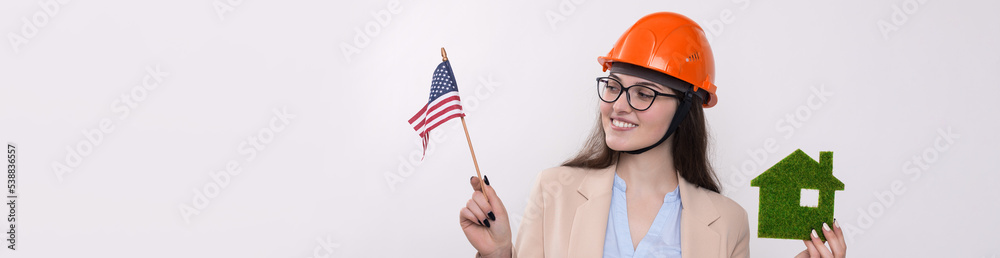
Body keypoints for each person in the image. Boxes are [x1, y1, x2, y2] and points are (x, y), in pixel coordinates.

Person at [458, 12, 847, 258]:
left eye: (644, 93)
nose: (619, 105)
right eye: (613, 86)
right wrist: (499, 252)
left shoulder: (729, 222)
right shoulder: (554, 190)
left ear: (685, 108)